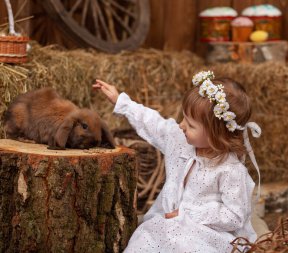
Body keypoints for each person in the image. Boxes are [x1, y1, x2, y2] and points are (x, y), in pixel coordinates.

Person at [93, 70, 262, 253]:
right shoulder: (180, 140)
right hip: (164, 225)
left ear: (217, 135)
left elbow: (234, 215)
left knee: (184, 246)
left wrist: (187, 214)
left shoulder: (230, 170)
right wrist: (122, 102)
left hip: (205, 233)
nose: (181, 125)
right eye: (183, 118)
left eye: (190, 125)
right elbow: (154, 124)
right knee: (143, 240)